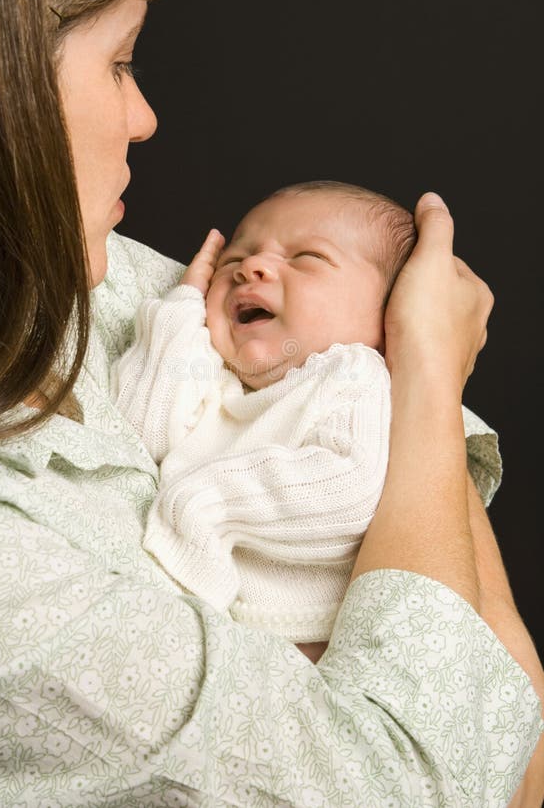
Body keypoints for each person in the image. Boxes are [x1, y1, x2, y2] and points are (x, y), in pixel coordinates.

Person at [0, 0, 543, 806]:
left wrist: (413, 380)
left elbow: (519, 740)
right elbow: (423, 784)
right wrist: (427, 374)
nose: (144, 117)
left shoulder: (86, 283)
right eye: (118, 62)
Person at [112, 180, 501, 654]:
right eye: (232, 261)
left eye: (306, 260)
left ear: (385, 314)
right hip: (204, 629)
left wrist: (206, 505)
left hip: (310, 640)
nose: (251, 268)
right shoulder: (212, 374)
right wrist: (182, 309)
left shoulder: (352, 376)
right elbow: (137, 433)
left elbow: (349, 485)